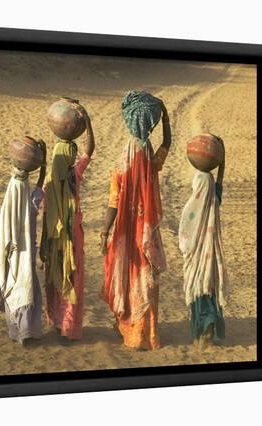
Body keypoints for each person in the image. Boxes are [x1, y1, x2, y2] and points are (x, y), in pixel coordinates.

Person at [100, 91, 170, 350]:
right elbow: (166, 146)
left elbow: (113, 201)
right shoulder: (151, 158)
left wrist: (105, 230)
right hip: (147, 232)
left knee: (128, 277)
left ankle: (129, 329)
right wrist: (166, 119)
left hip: (126, 233)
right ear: (150, 124)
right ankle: (147, 334)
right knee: (147, 280)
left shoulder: (123, 161)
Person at [0, 139, 47, 346]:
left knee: (15, 284)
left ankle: (17, 330)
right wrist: (44, 166)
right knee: (26, 286)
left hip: (14, 250)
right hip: (25, 249)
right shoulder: (25, 194)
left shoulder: (14, 188)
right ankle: (26, 331)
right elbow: (37, 195)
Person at [40, 106, 94, 341]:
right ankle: (68, 328)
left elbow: (44, 213)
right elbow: (89, 150)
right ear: (71, 158)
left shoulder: (48, 183)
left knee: (55, 277)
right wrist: (88, 123)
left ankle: (55, 322)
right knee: (72, 278)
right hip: (73, 236)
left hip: (53, 238)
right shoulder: (75, 176)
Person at [179, 138, 228, 350]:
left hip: (198, 254)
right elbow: (219, 182)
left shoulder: (194, 203)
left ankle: (204, 328)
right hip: (210, 252)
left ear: (197, 186)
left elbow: (185, 231)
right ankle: (209, 327)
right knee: (209, 287)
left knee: (198, 288)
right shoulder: (214, 197)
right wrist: (222, 159)